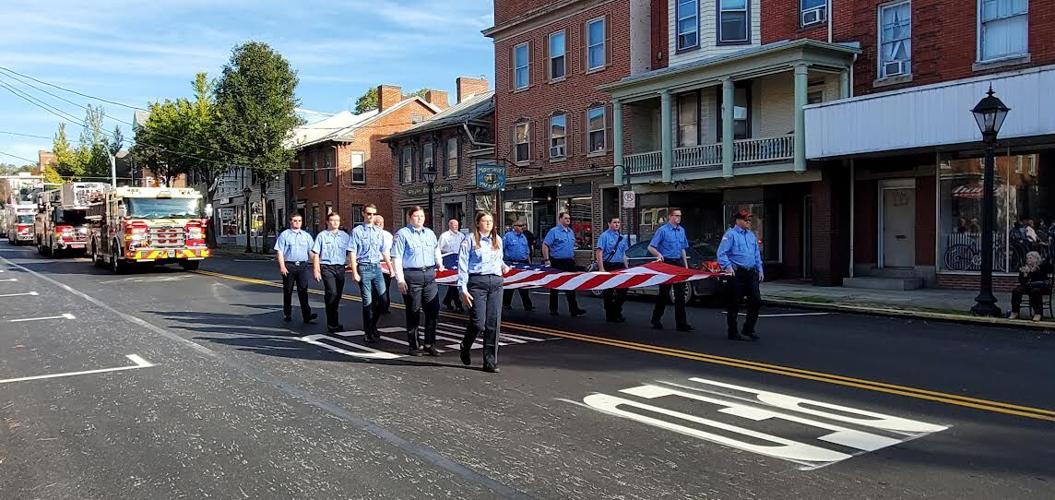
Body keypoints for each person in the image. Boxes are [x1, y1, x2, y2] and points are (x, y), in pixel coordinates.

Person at [458, 211, 510, 373]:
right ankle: (465, 345)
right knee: (478, 323)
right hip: (477, 282)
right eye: (485, 221)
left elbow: (498, 258)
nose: (488, 224)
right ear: (478, 223)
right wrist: (462, 288)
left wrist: (503, 266)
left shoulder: (498, 240)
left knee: (493, 323)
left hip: (495, 282)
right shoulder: (470, 240)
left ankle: (490, 361)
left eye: (490, 221)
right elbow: (463, 265)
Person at [392, 206, 442, 356]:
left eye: (421, 216)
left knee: (433, 310)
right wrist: (400, 279)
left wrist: (439, 262)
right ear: (409, 218)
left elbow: (436, 249)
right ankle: (414, 345)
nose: (419, 219)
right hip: (412, 276)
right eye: (416, 216)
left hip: (429, 275)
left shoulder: (430, 233)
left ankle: (429, 343)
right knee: (413, 311)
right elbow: (397, 257)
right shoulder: (403, 234)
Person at [717, 209, 764, 341]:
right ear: (738, 221)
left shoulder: (751, 235)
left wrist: (760, 269)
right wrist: (728, 267)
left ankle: (748, 329)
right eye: (746, 220)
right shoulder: (730, 235)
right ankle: (732, 331)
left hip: (751, 273)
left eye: (749, 220)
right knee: (734, 304)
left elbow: (756, 254)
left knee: (756, 301)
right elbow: (721, 253)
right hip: (737, 273)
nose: (748, 222)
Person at [347, 204, 389, 342]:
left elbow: (383, 251)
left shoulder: (379, 231)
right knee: (368, 301)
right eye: (369, 214)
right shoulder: (357, 231)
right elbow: (352, 252)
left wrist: (390, 267)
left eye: (373, 214)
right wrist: (354, 271)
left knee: (383, 300)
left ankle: (373, 325)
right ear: (363, 214)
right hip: (364, 267)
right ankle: (368, 332)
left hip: (377, 267)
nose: (371, 217)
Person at [647, 208, 693, 332]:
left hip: (678, 262)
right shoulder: (662, 230)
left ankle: (681, 323)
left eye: (680, 216)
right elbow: (651, 247)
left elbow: (683, 248)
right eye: (676, 215)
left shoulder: (681, 230)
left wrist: (685, 265)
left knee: (680, 295)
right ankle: (656, 319)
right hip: (666, 262)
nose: (678, 218)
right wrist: (658, 255)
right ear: (670, 217)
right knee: (664, 293)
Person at [311, 211, 351, 334]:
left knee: (337, 295)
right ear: (327, 222)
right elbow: (316, 253)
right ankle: (331, 323)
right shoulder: (322, 236)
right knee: (331, 293)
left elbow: (350, 252)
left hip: (340, 268)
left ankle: (334, 320)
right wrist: (316, 269)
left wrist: (351, 264)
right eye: (332, 220)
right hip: (327, 267)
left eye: (337, 221)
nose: (335, 223)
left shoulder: (345, 236)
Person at [274, 213, 317, 325]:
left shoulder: (306, 236)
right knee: (288, 290)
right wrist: (282, 266)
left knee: (303, 290)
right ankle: (287, 313)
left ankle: (307, 315)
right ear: (290, 222)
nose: (297, 223)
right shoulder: (284, 235)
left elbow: (312, 252)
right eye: (295, 220)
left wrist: (318, 264)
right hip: (289, 265)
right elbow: (280, 251)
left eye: (299, 221)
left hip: (302, 266)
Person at [542, 212, 586, 317]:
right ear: (560, 219)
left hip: (569, 261)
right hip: (557, 261)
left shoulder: (570, 231)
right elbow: (545, 245)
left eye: (569, 218)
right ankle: (553, 309)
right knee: (555, 286)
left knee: (571, 285)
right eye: (566, 218)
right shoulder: (554, 231)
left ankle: (574, 309)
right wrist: (546, 259)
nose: (568, 220)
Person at [595, 217, 630, 323]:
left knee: (623, 289)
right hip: (608, 264)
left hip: (619, 265)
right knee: (608, 291)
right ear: (609, 223)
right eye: (614, 222)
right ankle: (610, 315)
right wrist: (601, 268)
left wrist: (627, 268)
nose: (617, 224)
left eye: (618, 222)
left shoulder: (622, 237)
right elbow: (599, 252)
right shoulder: (604, 236)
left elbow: (624, 254)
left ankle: (616, 310)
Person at [1008, 251, 1051, 322]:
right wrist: (1025, 274)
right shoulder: (1025, 268)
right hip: (1028, 286)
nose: (1028, 260)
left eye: (1030, 258)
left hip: (1040, 287)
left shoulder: (1041, 267)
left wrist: (1034, 271)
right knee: (1016, 290)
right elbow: (1022, 282)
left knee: (1035, 291)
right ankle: (1015, 312)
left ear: (1036, 259)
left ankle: (1038, 313)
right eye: (1027, 258)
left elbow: (1043, 278)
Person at [502, 219, 534, 311]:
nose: (522, 227)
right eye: (520, 226)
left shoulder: (523, 236)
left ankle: (527, 305)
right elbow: (501, 249)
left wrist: (529, 263)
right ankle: (506, 304)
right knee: (510, 285)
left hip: (523, 263)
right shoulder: (508, 236)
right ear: (514, 227)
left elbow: (527, 251)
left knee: (523, 284)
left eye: (523, 225)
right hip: (511, 263)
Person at [437, 218, 465, 312]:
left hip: (458, 261)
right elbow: (438, 250)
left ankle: (447, 301)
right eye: (454, 224)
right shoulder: (444, 236)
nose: (456, 226)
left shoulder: (461, 236)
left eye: (457, 225)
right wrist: (440, 263)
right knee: (454, 282)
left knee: (455, 282)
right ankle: (458, 305)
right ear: (449, 225)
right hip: (448, 261)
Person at [373, 215, 394, 314]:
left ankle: (379, 306)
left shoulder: (372, 234)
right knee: (385, 286)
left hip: (379, 262)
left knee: (377, 287)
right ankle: (384, 306)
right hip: (386, 263)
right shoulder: (388, 235)